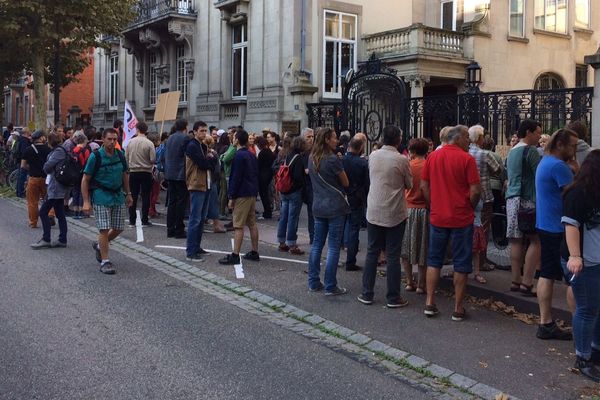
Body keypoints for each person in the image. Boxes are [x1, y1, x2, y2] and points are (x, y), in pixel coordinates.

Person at [421, 125, 481, 321]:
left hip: (438, 216)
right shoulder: (467, 159)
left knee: (434, 260)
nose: (469, 142)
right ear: (457, 138)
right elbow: (475, 191)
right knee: (461, 263)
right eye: (466, 138)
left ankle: (430, 302)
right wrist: (469, 207)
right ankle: (457, 307)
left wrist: (433, 205)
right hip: (461, 217)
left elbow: (424, 185)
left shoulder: (432, 157)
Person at [357, 125, 412, 307]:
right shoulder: (402, 160)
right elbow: (409, 184)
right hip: (394, 211)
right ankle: (393, 297)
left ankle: (367, 293)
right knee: (393, 254)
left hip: (374, 209)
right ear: (398, 140)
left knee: (372, 252)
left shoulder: (373, 156)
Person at [535, 128, 579, 340]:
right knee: (573, 279)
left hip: (545, 224)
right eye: (572, 145)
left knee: (547, 273)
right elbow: (576, 196)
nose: (575, 150)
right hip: (560, 229)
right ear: (560, 145)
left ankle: (545, 322)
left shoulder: (545, 161)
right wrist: (577, 171)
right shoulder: (560, 167)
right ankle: (581, 327)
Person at [561, 150, 600, 382]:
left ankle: (594, 349)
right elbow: (571, 226)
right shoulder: (577, 194)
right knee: (586, 309)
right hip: (583, 262)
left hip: (595, 260)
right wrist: (575, 256)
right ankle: (583, 357)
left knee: (595, 307)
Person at [81, 128, 132, 274]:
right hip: (101, 195)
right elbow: (85, 179)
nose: (112, 142)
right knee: (103, 229)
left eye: (115, 139)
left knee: (118, 227)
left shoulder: (120, 155)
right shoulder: (95, 156)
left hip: (117, 195)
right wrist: (86, 201)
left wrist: (128, 193)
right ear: (103, 139)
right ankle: (105, 261)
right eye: (109, 139)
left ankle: (99, 245)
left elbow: (125, 175)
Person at [307, 127, 350, 295]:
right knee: (333, 247)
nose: (336, 140)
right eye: (334, 138)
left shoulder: (312, 157)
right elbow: (345, 182)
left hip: (318, 205)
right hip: (334, 206)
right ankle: (331, 285)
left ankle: (313, 281)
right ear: (326, 140)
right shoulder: (332, 159)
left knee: (317, 244)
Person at [505, 119, 542, 296]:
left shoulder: (512, 151)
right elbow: (539, 175)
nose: (539, 136)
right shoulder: (531, 151)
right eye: (537, 133)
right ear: (528, 132)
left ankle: (515, 280)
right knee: (535, 240)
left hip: (512, 199)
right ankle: (527, 282)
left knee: (515, 240)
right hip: (528, 199)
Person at [219, 129, 260, 265]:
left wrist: (231, 197)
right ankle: (254, 251)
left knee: (238, 225)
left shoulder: (238, 156)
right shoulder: (251, 155)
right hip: (252, 192)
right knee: (252, 224)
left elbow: (235, 178)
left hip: (242, 194)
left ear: (237, 140)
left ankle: (235, 254)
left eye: (234, 137)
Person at [468, 125, 503, 275]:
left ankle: (468, 260)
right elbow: (498, 169)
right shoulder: (484, 154)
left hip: (468, 194)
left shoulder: (466, 152)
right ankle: (481, 261)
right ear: (480, 138)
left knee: (468, 229)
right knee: (483, 229)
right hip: (484, 194)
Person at [30, 132, 70, 250]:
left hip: (56, 187)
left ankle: (46, 239)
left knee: (43, 212)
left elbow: (47, 167)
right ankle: (62, 239)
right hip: (58, 185)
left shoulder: (58, 151)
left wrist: (47, 165)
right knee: (60, 213)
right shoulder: (61, 150)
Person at [401, 138, 430, 294]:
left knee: (406, 248)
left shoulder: (408, 165)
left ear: (411, 151)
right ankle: (421, 284)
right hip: (423, 209)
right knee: (422, 248)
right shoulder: (428, 166)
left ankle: (409, 281)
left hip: (408, 209)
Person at [185, 121, 216, 261]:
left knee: (201, 219)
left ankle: (197, 247)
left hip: (206, 184)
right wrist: (209, 159)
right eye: (201, 131)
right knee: (195, 219)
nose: (204, 133)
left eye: (205, 130)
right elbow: (203, 164)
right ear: (195, 131)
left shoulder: (203, 145)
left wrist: (210, 159)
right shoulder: (192, 146)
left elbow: (214, 161)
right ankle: (191, 251)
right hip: (197, 184)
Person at [342, 137, 369, 271]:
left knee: (341, 227)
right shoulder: (362, 163)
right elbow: (367, 183)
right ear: (360, 148)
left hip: (343, 195)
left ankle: (338, 255)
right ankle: (350, 260)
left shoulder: (341, 160)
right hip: (356, 197)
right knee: (353, 228)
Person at [277, 136, 306, 255]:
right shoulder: (298, 158)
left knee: (284, 216)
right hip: (294, 191)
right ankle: (292, 243)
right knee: (293, 217)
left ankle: (281, 241)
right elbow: (298, 177)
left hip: (284, 190)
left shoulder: (288, 156)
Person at [125, 121, 156, 227]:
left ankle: (132, 220)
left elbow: (126, 157)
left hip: (133, 172)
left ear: (137, 129)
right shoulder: (149, 143)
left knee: (133, 195)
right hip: (146, 172)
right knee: (146, 196)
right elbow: (153, 159)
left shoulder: (130, 142)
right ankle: (145, 219)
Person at [164, 119, 191, 238]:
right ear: (185, 127)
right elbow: (188, 155)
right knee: (181, 202)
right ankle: (179, 229)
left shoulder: (170, 137)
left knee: (172, 202)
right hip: (180, 173)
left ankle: (170, 229)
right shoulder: (185, 138)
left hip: (170, 173)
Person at [21, 130, 51, 228]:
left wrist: (31, 168)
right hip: (46, 179)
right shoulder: (48, 149)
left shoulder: (28, 150)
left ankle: (33, 222)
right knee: (49, 199)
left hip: (33, 178)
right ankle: (50, 215)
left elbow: (23, 165)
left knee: (32, 201)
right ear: (42, 138)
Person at [70, 131, 91, 219]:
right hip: (82, 173)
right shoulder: (85, 150)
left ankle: (75, 210)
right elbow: (88, 162)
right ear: (84, 141)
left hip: (74, 173)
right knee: (83, 191)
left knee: (75, 191)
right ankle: (82, 211)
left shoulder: (74, 149)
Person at [301, 128, 315, 244]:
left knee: (312, 213)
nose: (311, 139)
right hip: (302, 186)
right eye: (308, 137)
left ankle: (313, 236)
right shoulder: (301, 151)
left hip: (312, 186)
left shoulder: (315, 151)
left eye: (312, 137)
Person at [256, 136, 274, 219]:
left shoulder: (262, 153)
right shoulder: (270, 152)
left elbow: (258, 165)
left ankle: (267, 212)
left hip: (262, 175)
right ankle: (268, 211)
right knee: (266, 194)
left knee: (264, 195)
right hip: (269, 174)